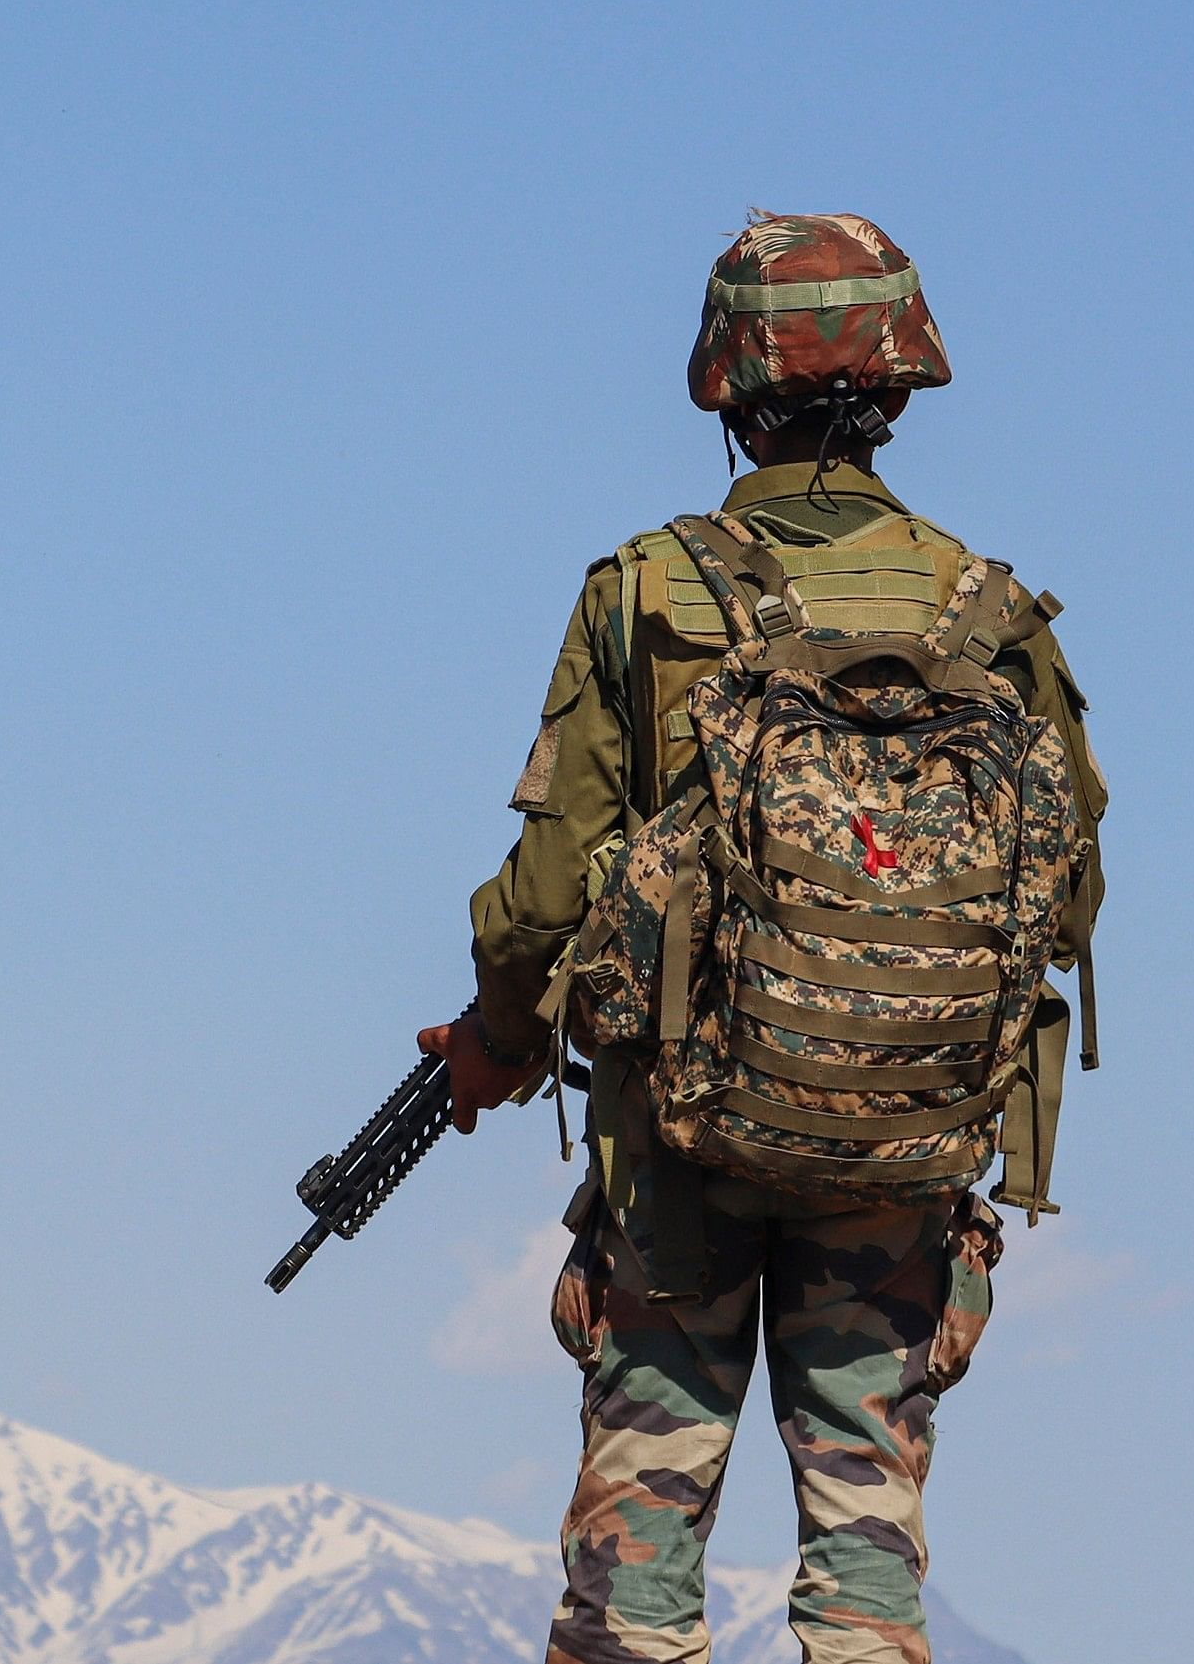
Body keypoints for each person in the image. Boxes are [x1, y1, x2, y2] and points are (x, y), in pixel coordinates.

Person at [422, 213, 1107, 1664]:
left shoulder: (646, 593)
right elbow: (1068, 894)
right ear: (902, 381)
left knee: (639, 1567)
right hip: (902, 1157)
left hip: (676, 1154)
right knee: (868, 1568)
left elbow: (548, 887)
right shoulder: (991, 616)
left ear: (727, 381)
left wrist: (491, 1043)